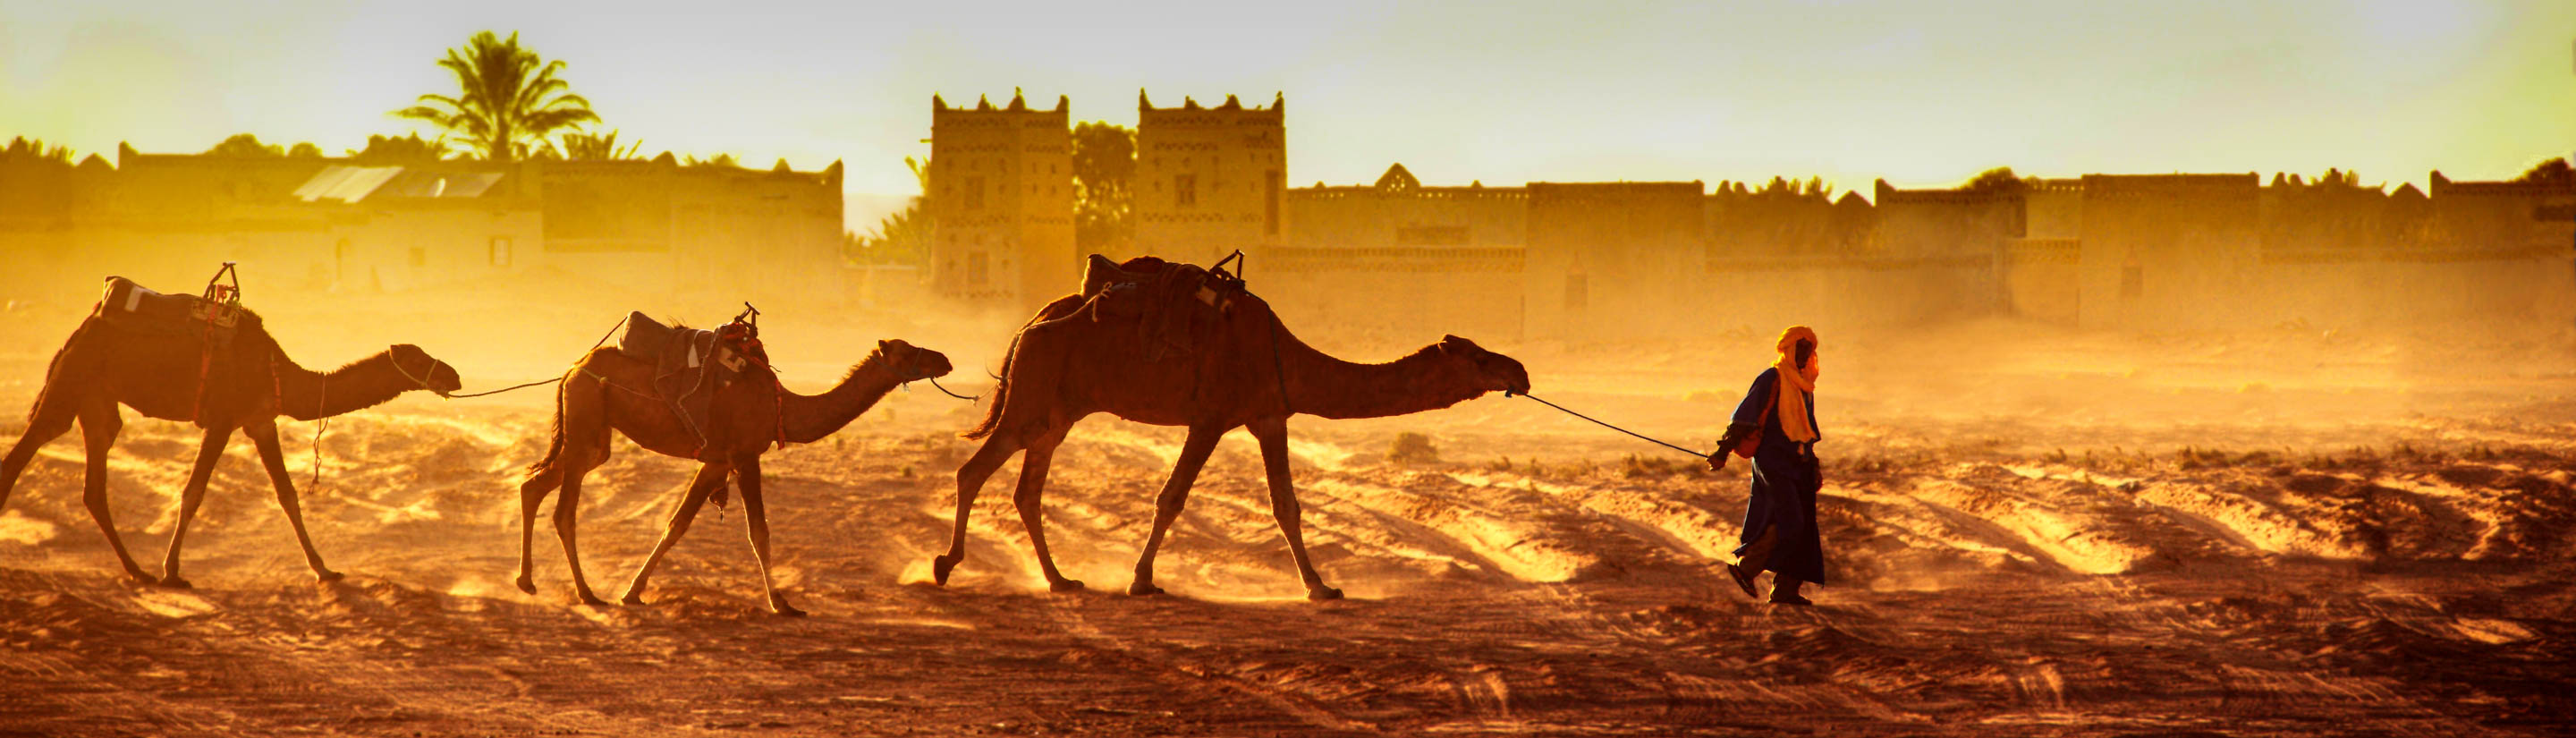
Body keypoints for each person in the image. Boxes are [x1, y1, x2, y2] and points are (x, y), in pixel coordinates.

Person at [1707, 326, 1825, 606]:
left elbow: (1807, 429)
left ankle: (1786, 589)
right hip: (1774, 461)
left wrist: (1814, 465)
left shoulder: (1804, 383)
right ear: (1788, 349)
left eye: (1809, 349)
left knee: (1804, 524)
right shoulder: (1771, 377)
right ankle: (1746, 570)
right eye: (1801, 348)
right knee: (1790, 520)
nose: (1805, 354)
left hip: (1800, 463)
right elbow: (1744, 418)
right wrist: (1722, 452)